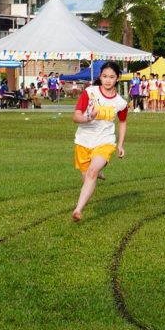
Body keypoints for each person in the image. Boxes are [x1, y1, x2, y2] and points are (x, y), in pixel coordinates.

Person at [71, 62, 128, 222]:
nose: (108, 80)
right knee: (87, 179)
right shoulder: (90, 93)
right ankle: (98, 169)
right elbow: (75, 117)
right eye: (105, 76)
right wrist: (89, 117)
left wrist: (120, 144)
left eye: (112, 77)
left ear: (117, 78)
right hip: (83, 141)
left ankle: (78, 210)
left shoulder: (120, 102)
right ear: (100, 77)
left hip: (105, 141)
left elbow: (123, 122)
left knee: (91, 173)